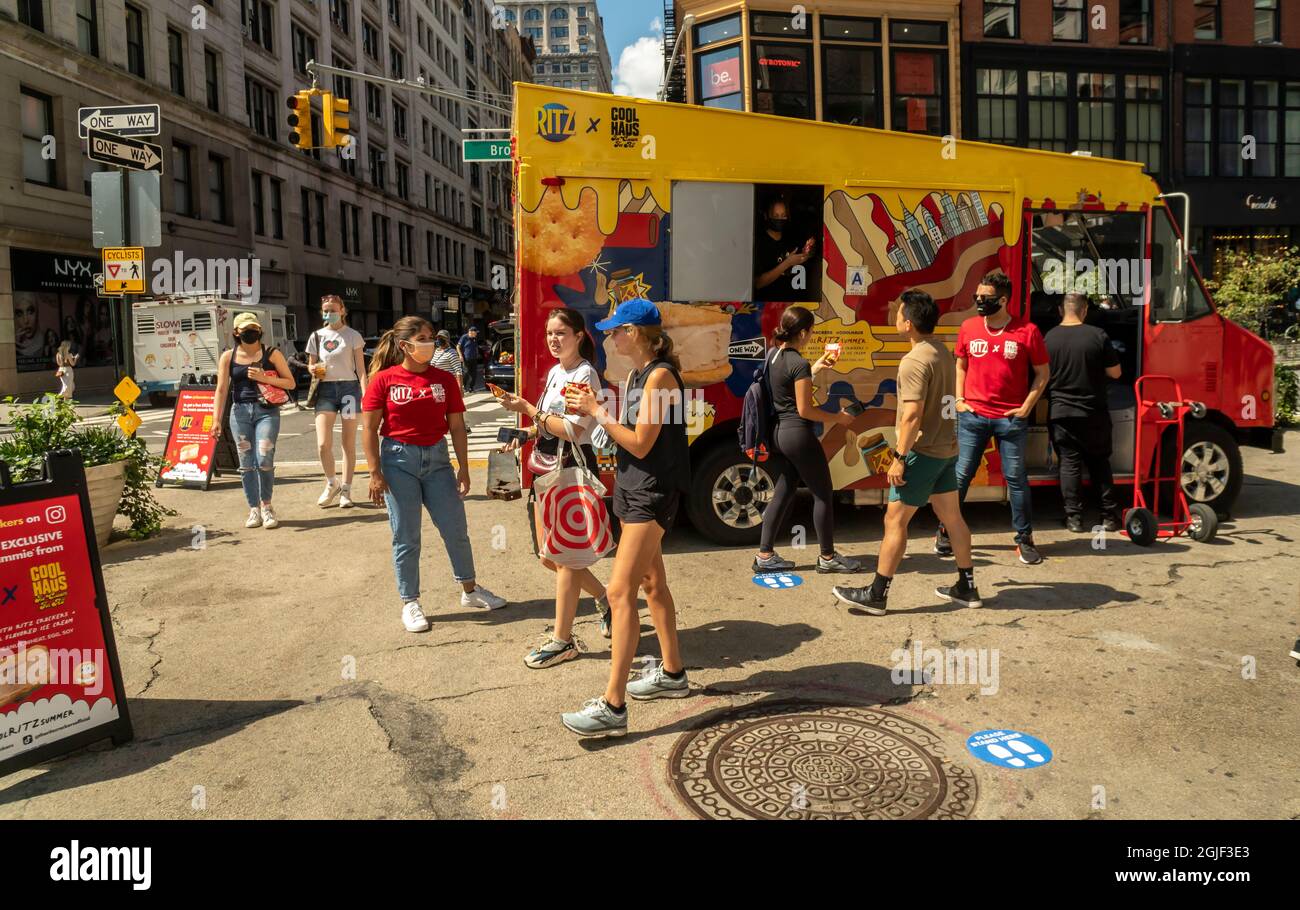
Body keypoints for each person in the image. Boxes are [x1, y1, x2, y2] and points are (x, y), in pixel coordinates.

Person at [559, 298, 691, 738]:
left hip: (650, 496)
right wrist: (595, 412)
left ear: (634, 333)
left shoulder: (660, 377)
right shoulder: (639, 375)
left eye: (615, 330)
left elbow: (639, 443)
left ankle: (613, 706)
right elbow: (627, 438)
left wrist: (597, 412)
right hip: (635, 490)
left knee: (619, 593)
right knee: (654, 585)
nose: (609, 337)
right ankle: (672, 673)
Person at [834, 291, 982, 614]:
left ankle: (876, 594)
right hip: (946, 451)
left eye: (899, 312)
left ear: (909, 323)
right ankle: (967, 586)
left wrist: (900, 458)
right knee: (952, 517)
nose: (896, 316)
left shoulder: (913, 361)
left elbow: (912, 415)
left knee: (894, 521)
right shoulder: (941, 352)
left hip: (921, 452)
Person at [361, 316, 507, 632]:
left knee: (456, 527)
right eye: (422, 338)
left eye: (430, 337)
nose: (429, 342)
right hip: (399, 460)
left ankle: (470, 590)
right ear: (404, 345)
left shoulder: (443, 380)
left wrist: (465, 468)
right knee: (406, 535)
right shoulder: (384, 380)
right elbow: (370, 429)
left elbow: (456, 427)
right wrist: (375, 472)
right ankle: (410, 601)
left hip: (438, 459)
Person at [497, 308, 612, 667]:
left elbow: (577, 431)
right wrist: (524, 434)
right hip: (545, 468)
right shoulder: (555, 372)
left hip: (569, 469)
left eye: (561, 332)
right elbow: (549, 425)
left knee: (564, 558)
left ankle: (563, 640)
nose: (553, 339)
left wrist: (530, 410)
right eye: (549, 333)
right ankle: (609, 600)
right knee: (549, 556)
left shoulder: (583, 373)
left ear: (579, 336)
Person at [936, 269, 1050, 565]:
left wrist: (1027, 406)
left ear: (1003, 300)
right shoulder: (969, 327)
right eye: (977, 297)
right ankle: (946, 531)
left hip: (1011, 419)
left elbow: (1042, 373)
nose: (978, 302)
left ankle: (1024, 539)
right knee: (961, 476)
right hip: (972, 416)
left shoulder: (1028, 331)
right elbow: (960, 366)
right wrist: (959, 400)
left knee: (1016, 478)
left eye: (985, 298)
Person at [753, 305, 862, 574]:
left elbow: (784, 391)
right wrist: (839, 417)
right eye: (811, 332)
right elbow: (805, 410)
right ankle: (827, 557)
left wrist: (814, 368)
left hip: (780, 433)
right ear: (802, 333)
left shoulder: (775, 356)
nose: (811, 336)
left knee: (784, 490)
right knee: (823, 494)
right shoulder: (798, 363)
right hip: (799, 434)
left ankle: (765, 556)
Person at [1045, 292, 1123, 533]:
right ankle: (1109, 516)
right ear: (1085, 310)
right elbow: (1116, 373)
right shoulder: (1097, 336)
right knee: (1100, 463)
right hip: (1093, 411)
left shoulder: (1049, 338)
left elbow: (1042, 375)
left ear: (1061, 310)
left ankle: (1074, 519)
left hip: (1061, 412)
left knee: (1069, 464)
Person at [211, 313, 295, 530]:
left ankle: (267, 506)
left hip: (266, 411)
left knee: (265, 458)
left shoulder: (272, 354)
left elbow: (291, 383)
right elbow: (221, 389)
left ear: (260, 331)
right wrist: (216, 420)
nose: (251, 332)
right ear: (236, 332)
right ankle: (253, 509)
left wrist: (263, 377)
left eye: (254, 328)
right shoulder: (228, 357)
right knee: (246, 462)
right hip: (239, 413)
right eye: (246, 328)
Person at [307, 295, 367, 509]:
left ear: (343, 310)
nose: (329, 313)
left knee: (348, 443)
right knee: (323, 444)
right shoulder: (316, 336)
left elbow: (361, 369)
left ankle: (346, 490)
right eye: (325, 310)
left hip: (349, 390)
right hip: (325, 391)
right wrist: (312, 369)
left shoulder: (353, 336)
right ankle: (332, 482)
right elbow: (311, 365)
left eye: (333, 309)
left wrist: (365, 392)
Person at [754, 199, 815, 300]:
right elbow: (758, 283)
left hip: (793, 303)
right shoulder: (759, 243)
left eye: (783, 215)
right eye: (775, 216)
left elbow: (807, 254)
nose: (780, 219)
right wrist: (787, 263)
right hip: (767, 306)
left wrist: (807, 253)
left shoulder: (792, 238)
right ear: (766, 216)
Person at [457, 325, 482, 393]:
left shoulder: (475, 338)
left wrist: (477, 353)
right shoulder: (464, 337)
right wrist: (460, 356)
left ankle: (471, 387)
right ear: (471, 332)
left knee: (473, 374)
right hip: (466, 359)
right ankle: (464, 386)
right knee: (466, 373)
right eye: (475, 332)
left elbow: (475, 347)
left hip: (474, 359)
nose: (476, 334)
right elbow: (458, 346)